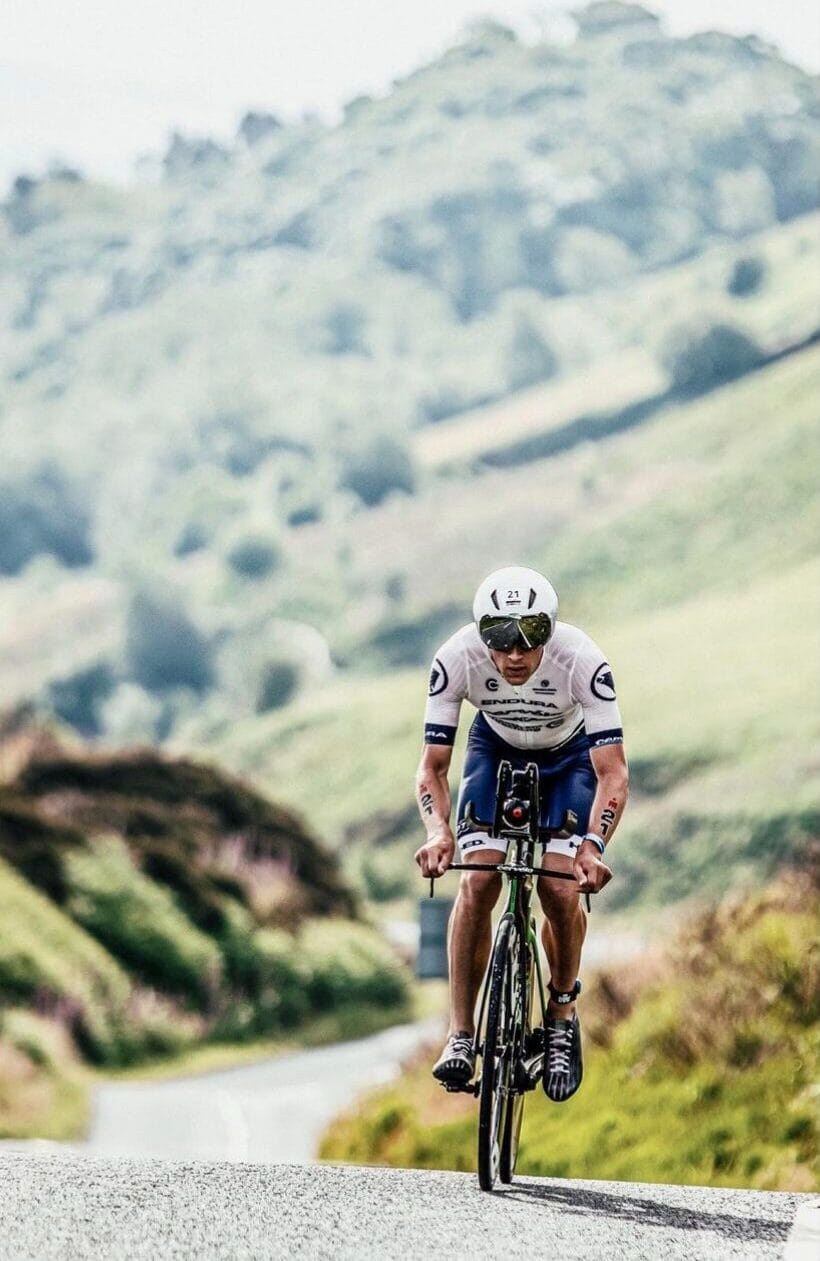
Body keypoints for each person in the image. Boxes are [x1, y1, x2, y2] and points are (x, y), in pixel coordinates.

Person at [414, 565, 628, 1102]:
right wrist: (439, 833)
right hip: (494, 750)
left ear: (550, 631)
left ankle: (561, 1015)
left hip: (569, 760)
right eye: (500, 638)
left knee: (559, 887)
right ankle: (461, 1034)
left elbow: (613, 774)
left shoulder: (582, 660)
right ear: (480, 633)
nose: (514, 654)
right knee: (478, 880)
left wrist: (593, 846)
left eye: (530, 638)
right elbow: (433, 767)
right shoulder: (455, 658)